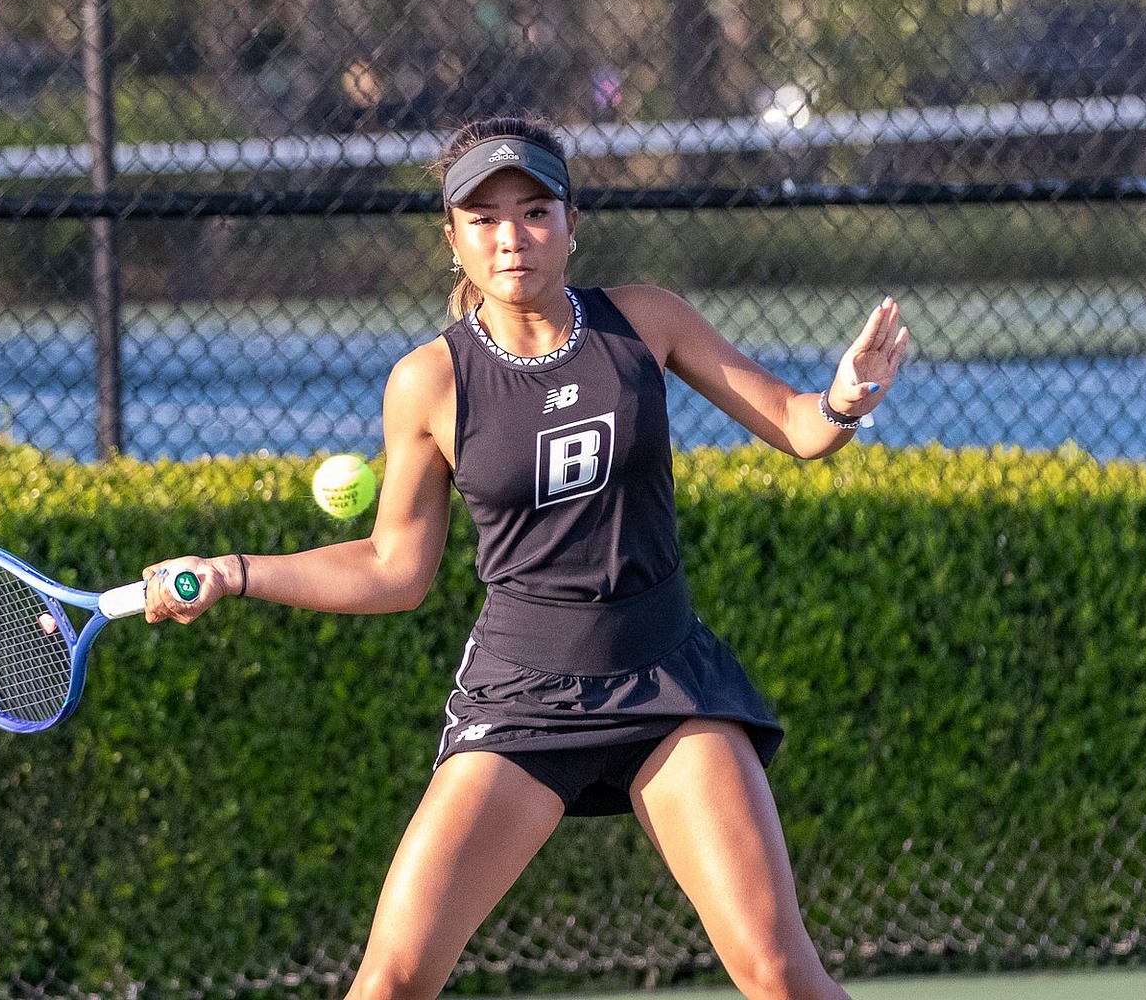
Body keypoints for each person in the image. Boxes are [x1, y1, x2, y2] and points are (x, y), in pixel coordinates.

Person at [142, 114, 907, 1000]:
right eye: (485, 218)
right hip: (519, 697)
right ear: (454, 240)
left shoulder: (645, 322)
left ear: (572, 222)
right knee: (389, 983)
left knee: (780, 972)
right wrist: (237, 572)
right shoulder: (429, 381)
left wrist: (846, 396)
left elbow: (798, 425)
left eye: (535, 210)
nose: (512, 237)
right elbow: (396, 568)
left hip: (666, 682)